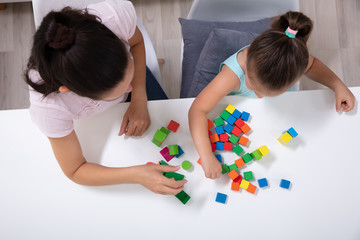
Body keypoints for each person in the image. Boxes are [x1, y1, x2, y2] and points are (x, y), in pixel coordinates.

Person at [24, 0, 186, 195]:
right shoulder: (49, 108)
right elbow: (75, 170)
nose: (129, 88)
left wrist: (139, 96)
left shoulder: (114, 18)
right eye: (119, 90)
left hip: (135, 95)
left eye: (128, 73)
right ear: (72, 90)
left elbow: (136, 41)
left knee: (175, 129)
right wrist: (137, 175)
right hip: (93, 124)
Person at [188, 11, 356, 179]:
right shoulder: (232, 75)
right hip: (234, 106)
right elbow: (197, 110)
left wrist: (337, 85)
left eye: (269, 93)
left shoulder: (294, 58)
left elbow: (312, 66)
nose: (260, 97)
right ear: (247, 56)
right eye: (254, 88)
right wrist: (207, 156)